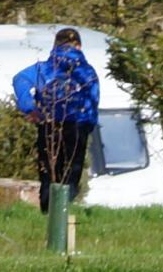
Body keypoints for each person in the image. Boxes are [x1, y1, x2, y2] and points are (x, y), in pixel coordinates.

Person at [12, 26, 99, 210]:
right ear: (79, 47)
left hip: (49, 124)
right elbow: (93, 98)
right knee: (71, 171)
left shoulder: (44, 68)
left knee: (49, 172)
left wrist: (30, 108)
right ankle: (64, 211)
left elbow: (19, 79)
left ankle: (47, 213)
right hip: (77, 125)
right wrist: (89, 125)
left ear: (55, 45)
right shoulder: (87, 72)